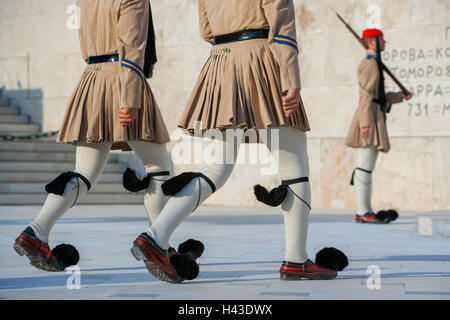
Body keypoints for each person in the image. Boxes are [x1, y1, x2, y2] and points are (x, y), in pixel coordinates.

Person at [128, 0, 348, 284]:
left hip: (220, 66)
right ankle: (296, 261)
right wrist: (291, 78)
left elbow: (207, 30)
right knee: (295, 167)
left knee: (214, 170)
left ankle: (154, 236)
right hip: (261, 62)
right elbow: (281, 27)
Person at [13, 0, 174, 272]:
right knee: (159, 169)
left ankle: (35, 232)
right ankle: (159, 246)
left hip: (91, 80)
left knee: (83, 174)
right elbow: (132, 47)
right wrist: (131, 99)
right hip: (122, 80)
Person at [345, 28, 413, 224]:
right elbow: (365, 96)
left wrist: (400, 96)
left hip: (375, 116)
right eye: (382, 40)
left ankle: (365, 210)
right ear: (372, 42)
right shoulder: (369, 64)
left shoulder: (375, 63)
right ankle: (363, 212)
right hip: (370, 119)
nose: (385, 43)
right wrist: (366, 124)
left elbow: (379, 96)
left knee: (366, 166)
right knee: (364, 167)